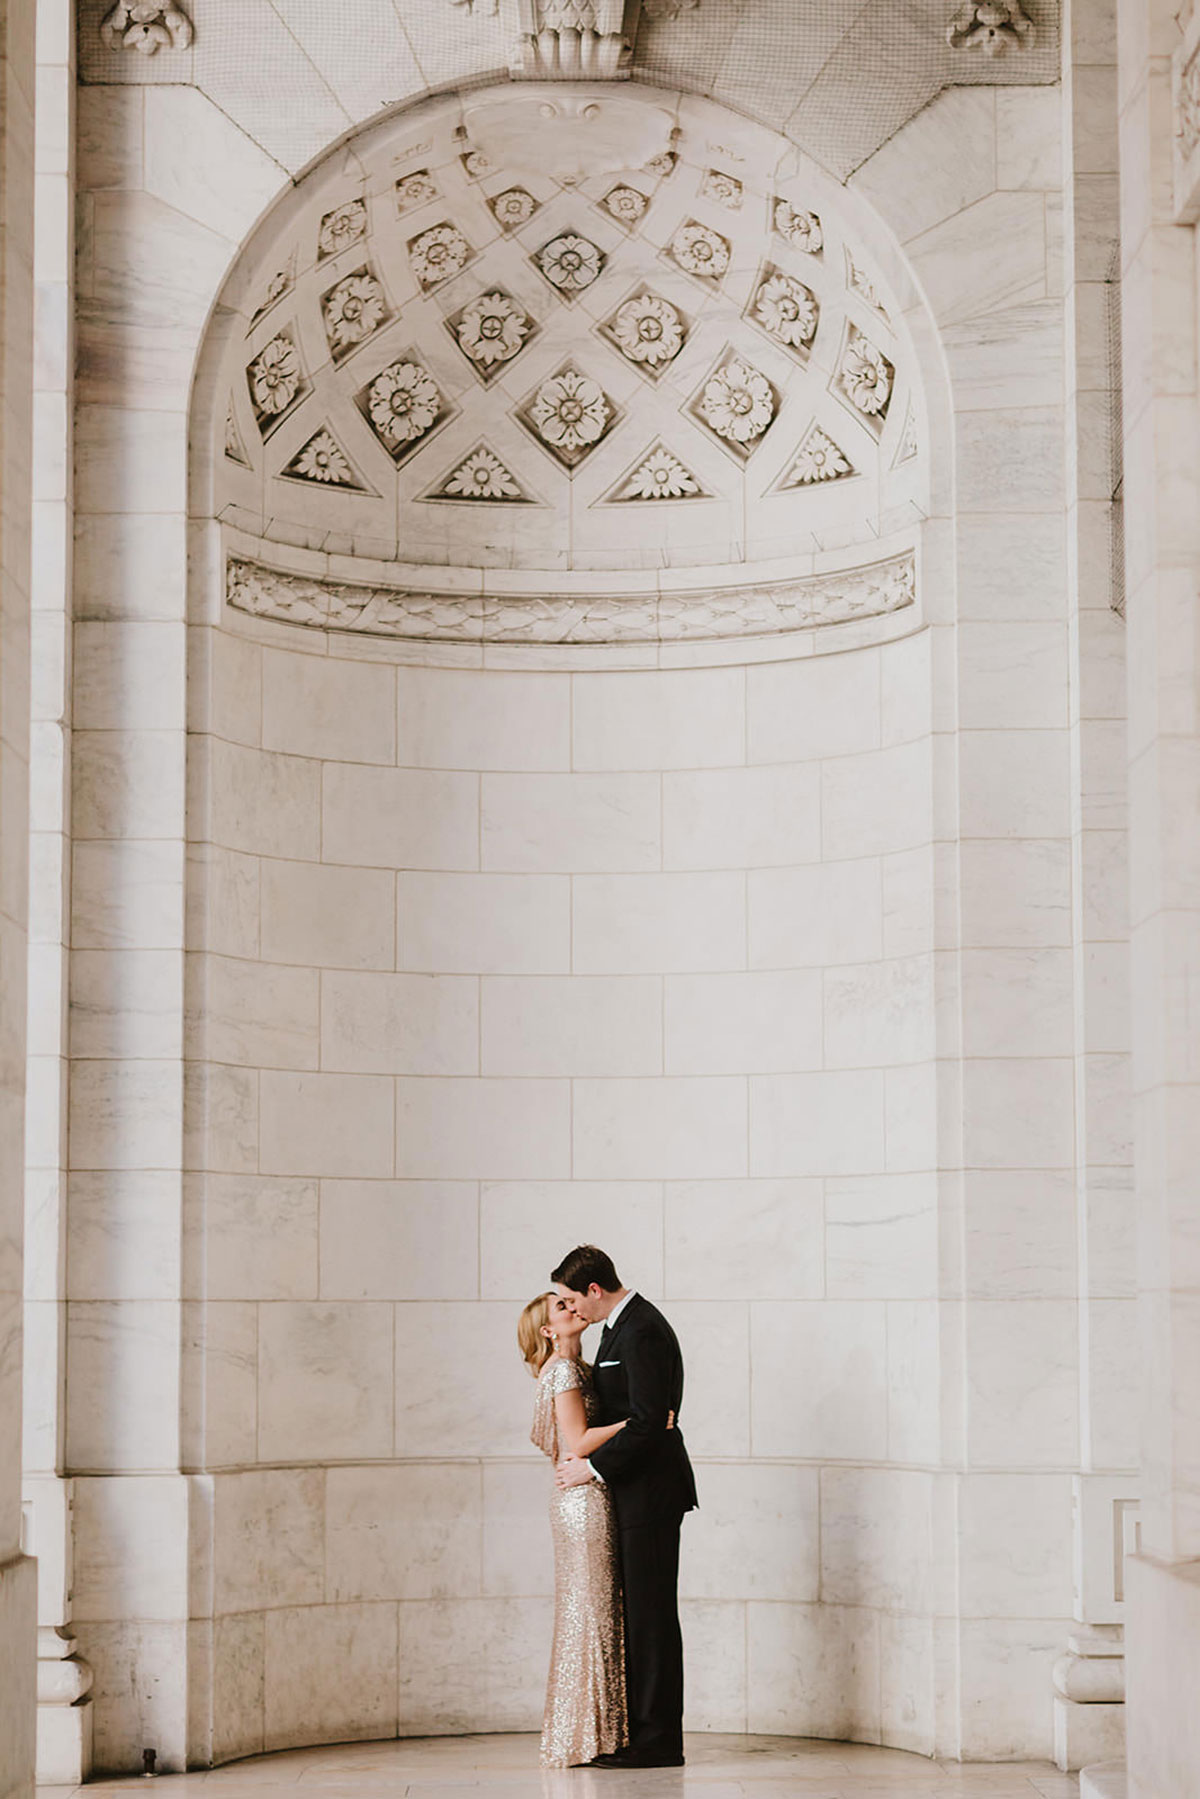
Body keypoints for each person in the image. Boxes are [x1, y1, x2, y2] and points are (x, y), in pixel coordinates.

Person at [551, 1245, 698, 1771]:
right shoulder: (619, 1328)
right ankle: (641, 1734)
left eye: (573, 1298)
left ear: (594, 1289)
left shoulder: (642, 1328)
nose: (572, 1310)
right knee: (639, 1616)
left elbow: (648, 1420)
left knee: (652, 1618)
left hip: (653, 1494)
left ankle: (658, 1743)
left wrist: (591, 1469)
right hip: (634, 1492)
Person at [518, 1290, 629, 1769]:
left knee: (596, 1610)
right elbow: (578, 1441)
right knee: (590, 1611)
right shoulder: (563, 1371)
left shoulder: (577, 1368)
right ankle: (583, 1736)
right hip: (582, 1502)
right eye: (560, 1309)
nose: (572, 1309)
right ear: (548, 1331)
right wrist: (636, 1422)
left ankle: (594, 1733)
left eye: (570, 1302)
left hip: (586, 1497)